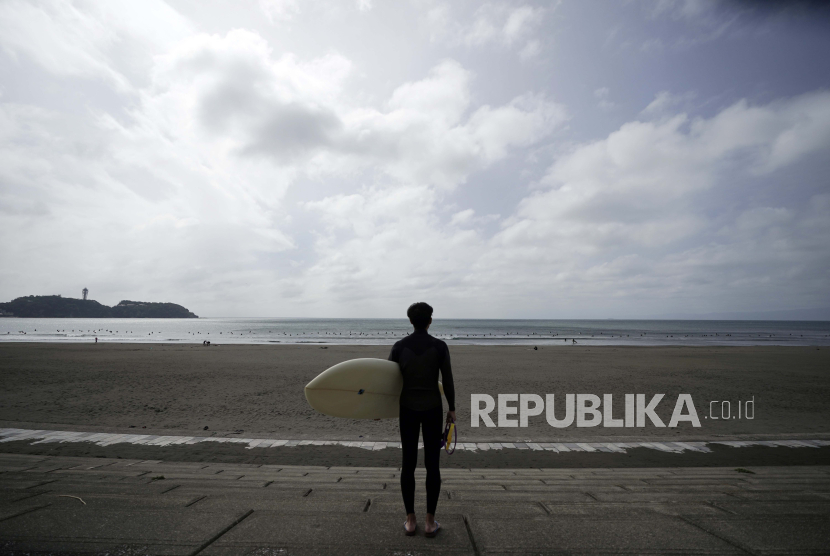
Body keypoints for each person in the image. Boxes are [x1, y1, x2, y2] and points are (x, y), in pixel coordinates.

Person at [389, 302, 455, 538]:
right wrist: (452, 409)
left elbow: (389, 382)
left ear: (410, 321)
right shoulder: (439, 346)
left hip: (407, 409)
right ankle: (429, 522)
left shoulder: (399, 347)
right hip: (432, 409)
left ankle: (410, 520)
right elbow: (447, 380)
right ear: (430, 321)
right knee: (432, 464)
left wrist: (379, 407)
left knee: (408, 463)